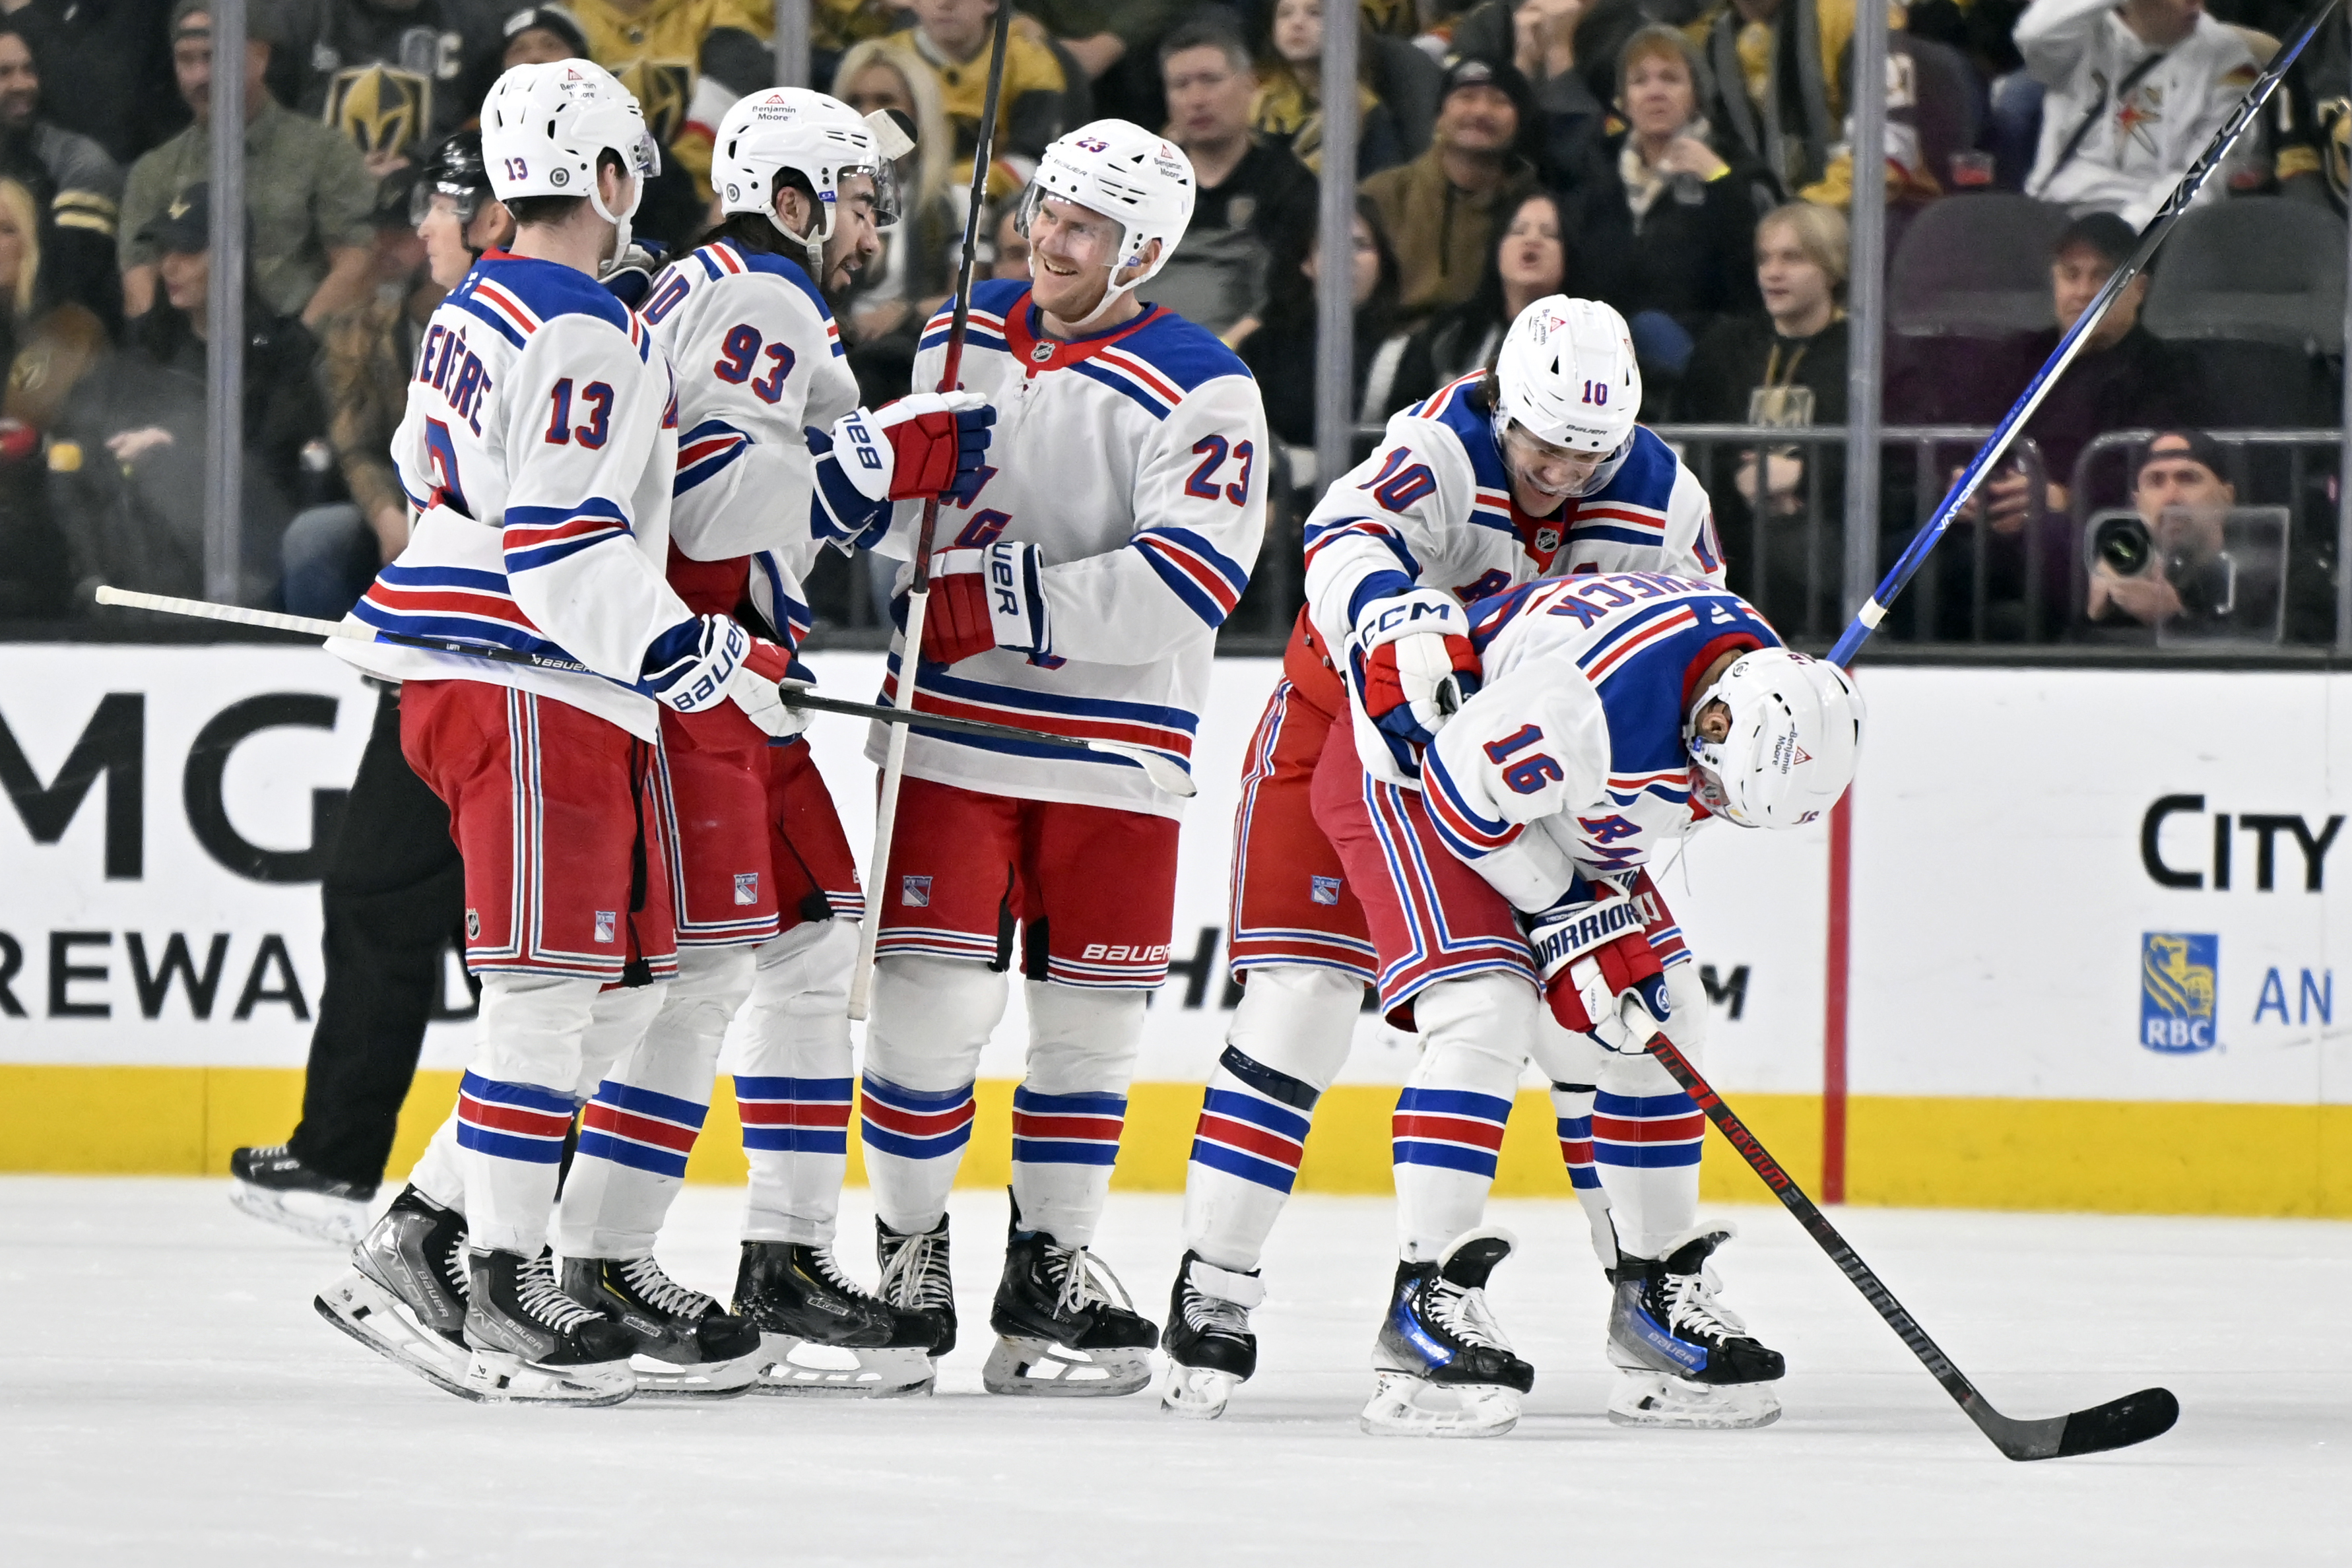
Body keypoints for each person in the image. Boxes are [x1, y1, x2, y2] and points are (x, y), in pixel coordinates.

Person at [311, 59, 792, 1408]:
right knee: (546, 991)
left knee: (622, 990)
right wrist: (686, 650)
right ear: (608, 177)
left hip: (491, 670)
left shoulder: (478, 299)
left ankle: (422, 1229)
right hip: (532, 677)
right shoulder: (587, 323)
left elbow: (425, 466)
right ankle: (502, 1283)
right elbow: (563, 535)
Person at [1160, 297, 1730, 1422]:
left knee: (1599, 1024)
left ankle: (1649, 1291)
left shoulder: (1663, 499)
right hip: (1346, 741)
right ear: (1498, 405)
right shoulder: (1434, 451)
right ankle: (1213, 1286)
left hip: (1534, 772)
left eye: (1588, 451)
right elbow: (1337, 539)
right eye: (1541, 442)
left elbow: (1688, 654)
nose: (1561, 470)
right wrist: (1393, 623)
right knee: (1300, 1014)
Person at [559, 85, 993, 1398]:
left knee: (809, 945)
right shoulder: (765, 290)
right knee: (698, 979)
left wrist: (856, 458)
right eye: (859, 198)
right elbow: (711, 505)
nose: (875, 223)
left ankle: (787, 1258)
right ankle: (598, 1261)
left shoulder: (716, 286)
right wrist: (888, 452)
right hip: (702, 675)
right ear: (794, 198)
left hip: (741, 681)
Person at [859, 119, 1266, 1399]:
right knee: (930, 1020)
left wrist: (1005, 600)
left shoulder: (1207, 386)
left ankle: (1051, 1271)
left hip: (1113, 747)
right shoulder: (955, 335)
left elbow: (1191, 580)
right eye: (1042, 210)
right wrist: (894, 518)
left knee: (1089, 1034)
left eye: (1081, 226)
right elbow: (891, 534)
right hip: (947, 739)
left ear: (1143, 249)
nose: (1048, 236)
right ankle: (906, 1263)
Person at [1344, 571, 1858, 1435]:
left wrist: (1584, 912)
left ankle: (1651, 1301)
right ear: (1716, 722)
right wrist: (1563, 910)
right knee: (1487, 1008)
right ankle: (1420, 1306)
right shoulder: (1590, 707)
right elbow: (1464, 797)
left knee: (1670, 1014)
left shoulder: (1741, 684)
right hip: (1419, 779)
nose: (1714, 809)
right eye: (1722, 788)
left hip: (1545, 807)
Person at [228, 131, 513, 1247]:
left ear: (490, 214)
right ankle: (346, 1150)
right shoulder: (460, 314)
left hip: (510, 674)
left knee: (510, 946)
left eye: (439, 209)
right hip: (441, 661)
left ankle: (524, 1188)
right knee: (384, 896)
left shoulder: (531, 315)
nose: (422, 232)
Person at [59, 181, 323, 604]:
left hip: (245, 555)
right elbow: (90, 433)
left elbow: (273, 468)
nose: (169, 267)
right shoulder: (145, 348)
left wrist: (179, 449)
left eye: (188, 253)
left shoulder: (281, 352)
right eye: (163, 252)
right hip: (140, 542)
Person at [117, 0, 376, 327]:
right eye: (185, 60)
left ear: (260, 57)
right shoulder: (154, 171)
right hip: (191, 360)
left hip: (300, 355)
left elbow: (356, 258)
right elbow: (140, 280)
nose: (200, 76)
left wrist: (300, 342)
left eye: (214, 57)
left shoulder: (325, 153)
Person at [1562, 24, 1771, 397]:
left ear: (1696, 95)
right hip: (1609, 368)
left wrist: (1721, 183)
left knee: (1652, 328)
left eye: (1671, 79)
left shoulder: (1736, 171)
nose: (1655, 91)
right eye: (1640, 81)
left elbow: (1753, 281)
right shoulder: (1596, 174)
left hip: (1707, 363)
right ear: (1622, 100)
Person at [1679, 200, 1849, 635]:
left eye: (1792, 258)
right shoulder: (1724, 346)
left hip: (1825, 528)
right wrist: (1741, 478)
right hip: (1730, 525)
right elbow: (1689, 439)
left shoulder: (1862, 352)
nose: (1772, 272)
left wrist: (1803, 475)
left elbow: (1892, 467)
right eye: (1765, 258)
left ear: (1830, 268)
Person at [2019, 0, 2259, 227]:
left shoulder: (2229, 58)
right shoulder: (2081, 33)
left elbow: (2205, 176)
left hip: (2154, 228)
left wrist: (2130, 230)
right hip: (2058, 209)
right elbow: (2032, 34)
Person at [1154, 15, 1317, 341]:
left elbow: (1288, 298)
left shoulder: (1287, 183)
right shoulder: (1141, 183)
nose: (1197, 100)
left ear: (1250, 85)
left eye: (1210, 80)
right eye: (1181, 85)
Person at [1361, 55, 1539, 326]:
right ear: (1440, 117)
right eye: (1466, 97)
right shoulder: (1383, 195)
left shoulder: (1534, 208)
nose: (1481, 111)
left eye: (1499, 101)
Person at [0, 172, 104, 618]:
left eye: (7, 230)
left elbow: (93, 432)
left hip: (46, 514)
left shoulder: (69, 332)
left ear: (30, 242)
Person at [1239, 197, 1405, 459]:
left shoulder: (1406, 355)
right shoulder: (1263, 348)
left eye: (1361, 245)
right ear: (1307, 262)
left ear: (1382, 262)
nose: (1347, 258)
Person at [1386, 187, 1571, 412]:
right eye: (1518, 230)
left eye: (1550, 234)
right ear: (1497, 247)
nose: (1532, 240)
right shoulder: (1452, 333)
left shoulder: (1585, 339)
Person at [267, 0, 487, 178]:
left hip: (433, 202)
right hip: (315, 200)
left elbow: (493, 127)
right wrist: (328, 167)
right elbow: (264, 125)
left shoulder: (475, 20)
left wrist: (424, 161)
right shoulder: (297, 16)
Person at [0, 22, 125, 332]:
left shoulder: (78, 161)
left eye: (30, 70)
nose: (21, 84)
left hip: (49, 342)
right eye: (4, 72)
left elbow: (75, 297)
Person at [888, 0, 1068, 160]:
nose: (944, 3)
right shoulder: (884, 62)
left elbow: (1031, 158)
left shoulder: (1031, 61)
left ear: (990, 2)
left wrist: (956, 191)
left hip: (997, 195)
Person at [1251, 0, 1408, 176]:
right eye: (1285, 14)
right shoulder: (1260, 102)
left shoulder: (1365, 112)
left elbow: (1383, 192)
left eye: (1315, 13)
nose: (1297, 23)